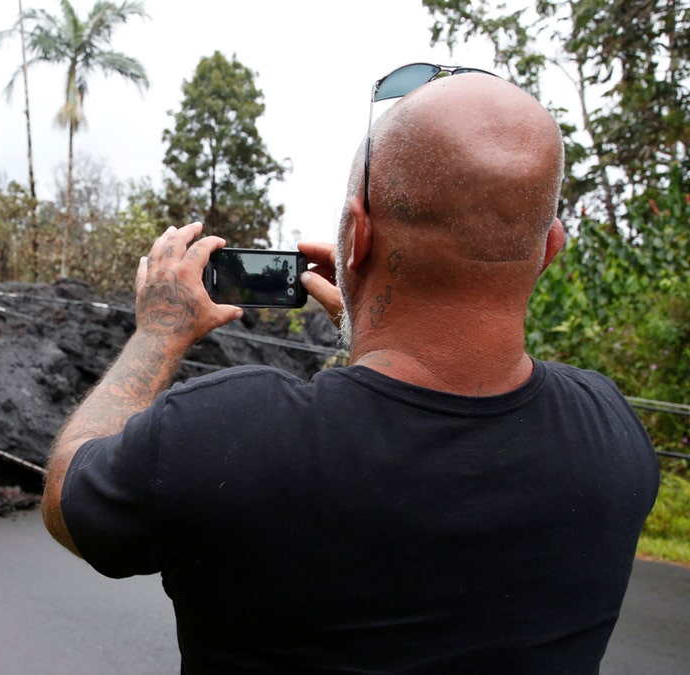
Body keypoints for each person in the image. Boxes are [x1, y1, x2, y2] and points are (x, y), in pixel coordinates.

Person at [42, 65, 660, 673]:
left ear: (355, 234)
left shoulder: (226, 435)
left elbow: (68, 499)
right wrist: (368, 327)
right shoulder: (610, 430)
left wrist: (156, 334)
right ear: (549, 249)